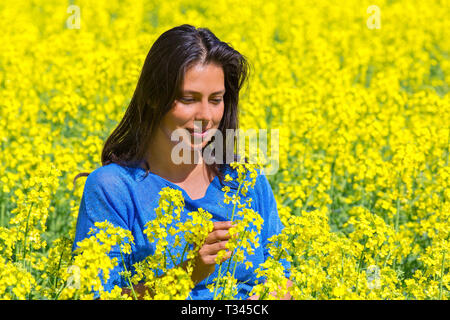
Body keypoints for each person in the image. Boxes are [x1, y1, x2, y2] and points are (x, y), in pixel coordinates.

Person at [72, 24, 292, 300]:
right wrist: (188, 273)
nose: (206, 115)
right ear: (154, 97)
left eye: (216, 99)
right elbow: (94, 295)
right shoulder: (113, 188)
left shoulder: (247, 180)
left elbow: (283, 275)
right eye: (188, 99)